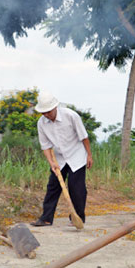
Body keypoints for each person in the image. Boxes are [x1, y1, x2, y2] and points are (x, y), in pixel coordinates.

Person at [30, 92, 93, 227]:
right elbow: (45, 146)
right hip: (59, 158)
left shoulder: (70, 116)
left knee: (76, 188)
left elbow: (84, 137)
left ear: (55, 107)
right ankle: (46, 218)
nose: (46, 115)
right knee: (52, 187)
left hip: (77, 156)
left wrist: (89, 155)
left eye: (48, 112)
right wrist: (51, 163)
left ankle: (77, 218)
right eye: (43, 113)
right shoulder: (41, 123)